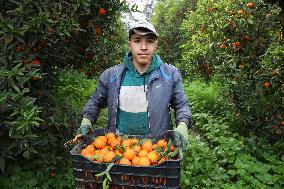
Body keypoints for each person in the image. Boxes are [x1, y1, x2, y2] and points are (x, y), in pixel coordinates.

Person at [76, 21, 192, 151]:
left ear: (155, 46)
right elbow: (95, 102)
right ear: (129, 45)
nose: (143, 47)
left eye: (149, 41)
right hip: (119, 150)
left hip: (157, 150)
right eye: (137, 41)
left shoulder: (170, 74)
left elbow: (182, 105)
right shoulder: (111, 76)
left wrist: (183, 125)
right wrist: (87, 120)